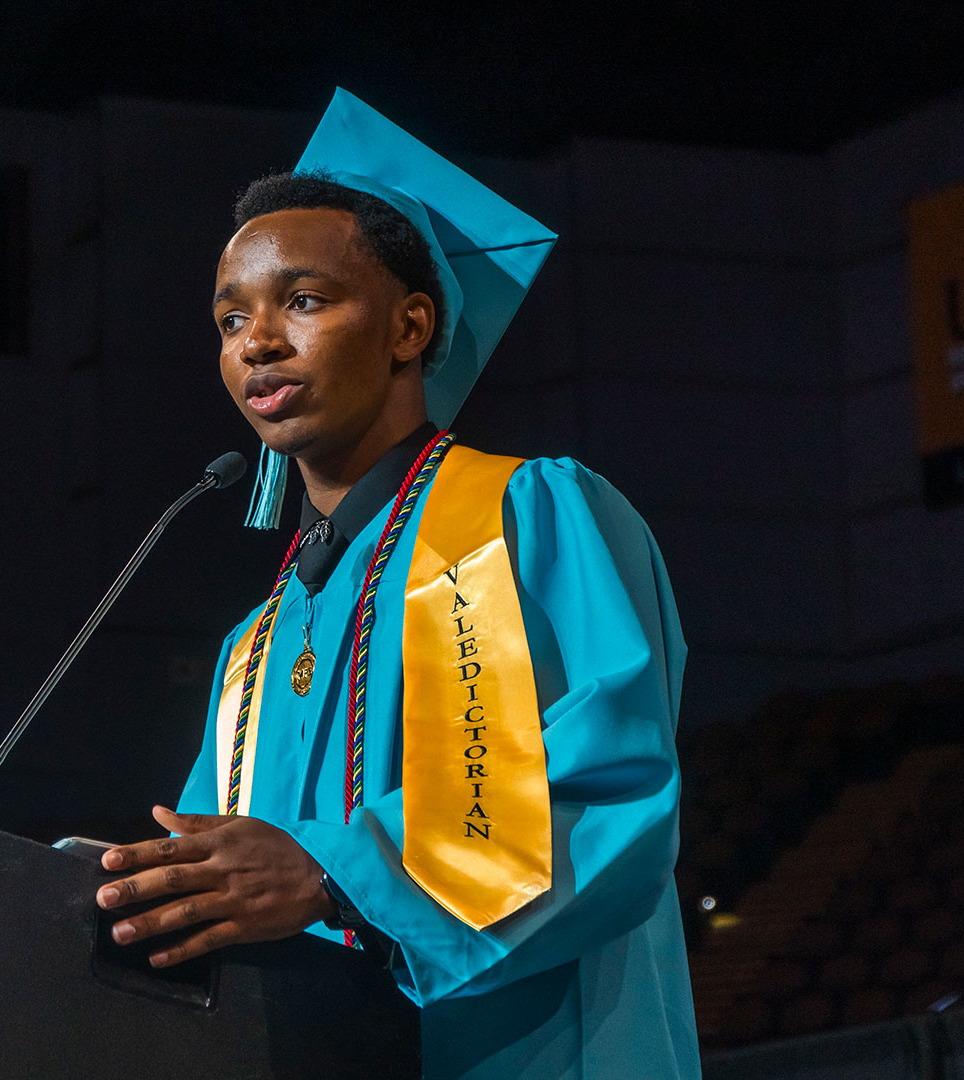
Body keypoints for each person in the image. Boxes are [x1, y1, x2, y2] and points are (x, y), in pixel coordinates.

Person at [92, 91, 699, 1078]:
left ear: (411, 325)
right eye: (231, 317)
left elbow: (613, 797)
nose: (257, 342)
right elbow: (223, 883)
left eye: (304, 301)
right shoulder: (254, 647)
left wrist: (336, 876)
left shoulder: (530, 518)